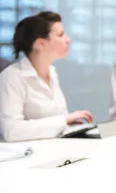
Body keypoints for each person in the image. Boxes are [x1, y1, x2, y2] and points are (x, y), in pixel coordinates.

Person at [0, 12, 93, 142]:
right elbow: (11, 130)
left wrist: (70, 125)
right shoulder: (12, 77)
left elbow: (58, 120)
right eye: (60, 35)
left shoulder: (52, 72)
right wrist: (63, 120)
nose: (67, 39)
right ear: (41, 43)